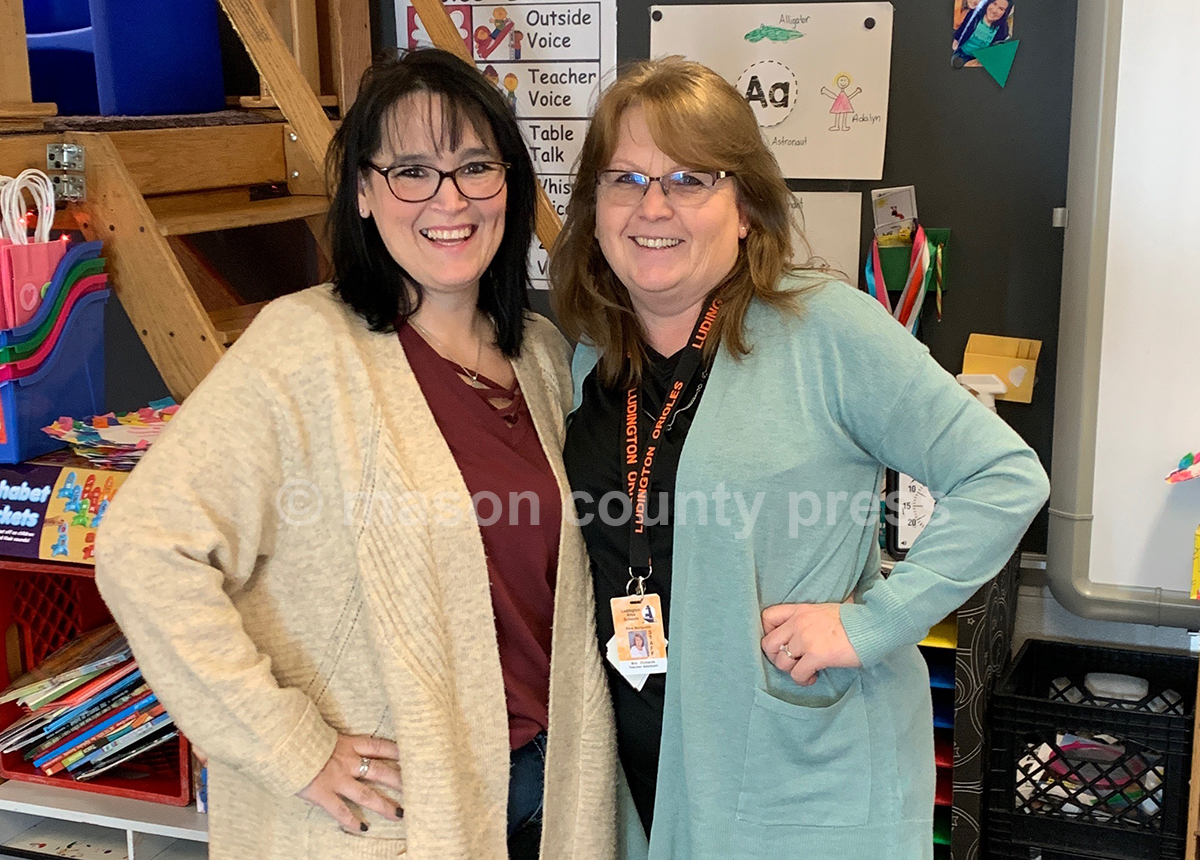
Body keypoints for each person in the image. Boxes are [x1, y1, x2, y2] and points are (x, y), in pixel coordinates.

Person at [94, 48, 616, 860]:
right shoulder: (303, 346)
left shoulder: (543, 356)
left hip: (548, 797)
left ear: (509, 185)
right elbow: (142, 550)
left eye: (475, 166)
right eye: (412, 171)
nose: (450, 198)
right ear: (365, 194)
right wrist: (292, 746)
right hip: (396, 816)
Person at [551, 57, 1049, 860]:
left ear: (745, 207)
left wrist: (871, 623)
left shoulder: (825, 328)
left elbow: (1003, 475)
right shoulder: (593, 358)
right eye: (625, 179)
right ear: (595, 207)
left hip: (799, 786)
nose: (653, 206)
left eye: (689, 178)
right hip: (646, 779)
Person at [952, 0, 1013, 68]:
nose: (994, 10)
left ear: (1005, 13)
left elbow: (993, 51)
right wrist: (955, 42)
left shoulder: (1003, 30)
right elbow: (962, 28)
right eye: (994, 4)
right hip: (959, 50)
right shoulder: (974, 14)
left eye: (1001, 9)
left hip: (975, 61)